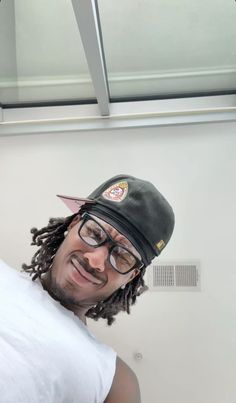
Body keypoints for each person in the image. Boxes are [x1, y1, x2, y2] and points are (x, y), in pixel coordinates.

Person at [0, 174, 175, 403]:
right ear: (73, 224)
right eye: (94, 233)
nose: (95, 260)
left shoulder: (114, 381)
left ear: (130, 277)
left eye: (122, 256)